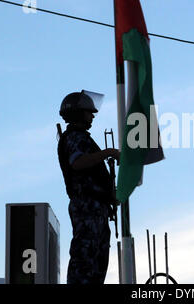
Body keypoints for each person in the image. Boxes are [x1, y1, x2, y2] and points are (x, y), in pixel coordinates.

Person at [57, 91, 120, 284]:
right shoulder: (74, 137)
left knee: (97, 263)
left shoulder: (82, 138)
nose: (92, 116)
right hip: (87, 206)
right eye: (88, 112)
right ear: (78, 113)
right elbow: (78, 162)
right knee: (85, 261)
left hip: (96, 206)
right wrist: (108, 152)